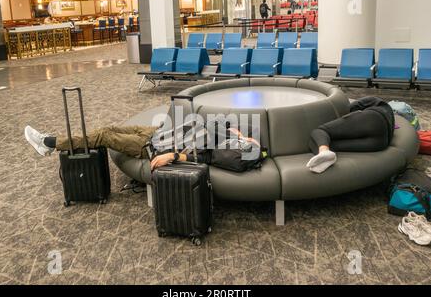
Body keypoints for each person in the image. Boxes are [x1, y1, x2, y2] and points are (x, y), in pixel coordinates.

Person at [24, 121, 262, 171]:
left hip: (151, 146)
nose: (252, 141)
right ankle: (54, 141)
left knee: (104, 135)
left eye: (252, 144)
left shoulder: (236, 157)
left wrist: (173, 156)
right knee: (111, 127)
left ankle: (50, 143)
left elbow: (204, 158)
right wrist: (239, 134)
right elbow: (219, 128)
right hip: (160, 132)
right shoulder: (239, 142)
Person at [306, 96, 395, 174]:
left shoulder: (371, 101)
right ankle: (326, 153)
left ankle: (323, 150)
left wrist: (341, 121)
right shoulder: (385, 108)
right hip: (380, 142)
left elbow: (348, 109)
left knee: (319, 131)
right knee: (328, 145)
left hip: (372, 119)